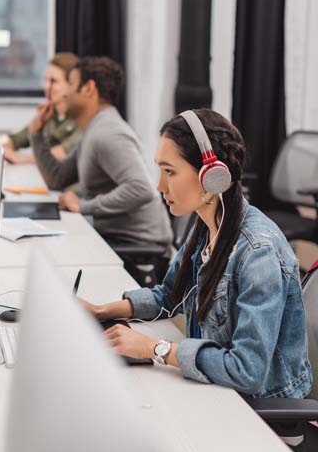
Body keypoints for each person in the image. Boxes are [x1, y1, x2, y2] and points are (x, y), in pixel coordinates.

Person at [82, 108, 312, 398]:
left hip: (258, 410)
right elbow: (170, 296)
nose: (159, 186)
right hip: (217, 392)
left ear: (211, 177)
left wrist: (156, 349)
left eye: (169, 171)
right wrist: (101, 311)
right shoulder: (206, 226)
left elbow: (247, 370)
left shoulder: (258, 253)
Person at [29, 56, 173, 269]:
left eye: (70, 84)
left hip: (139, 250)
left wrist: (83, 206)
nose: (65, 92)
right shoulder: (93, 130)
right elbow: (57, 178)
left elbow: (141, 189)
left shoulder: (107, 133)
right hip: (118, 239)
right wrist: (36, 134)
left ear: (88, 89)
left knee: (48, 256)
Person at [4, 52, 81, 164]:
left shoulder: (82, 116)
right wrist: (1, 148)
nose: (46, 86)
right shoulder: (48, 113)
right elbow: (18, 138)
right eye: (45, 80)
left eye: (53, 81)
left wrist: (20, 159)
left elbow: (65, 151)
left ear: (71, 85)